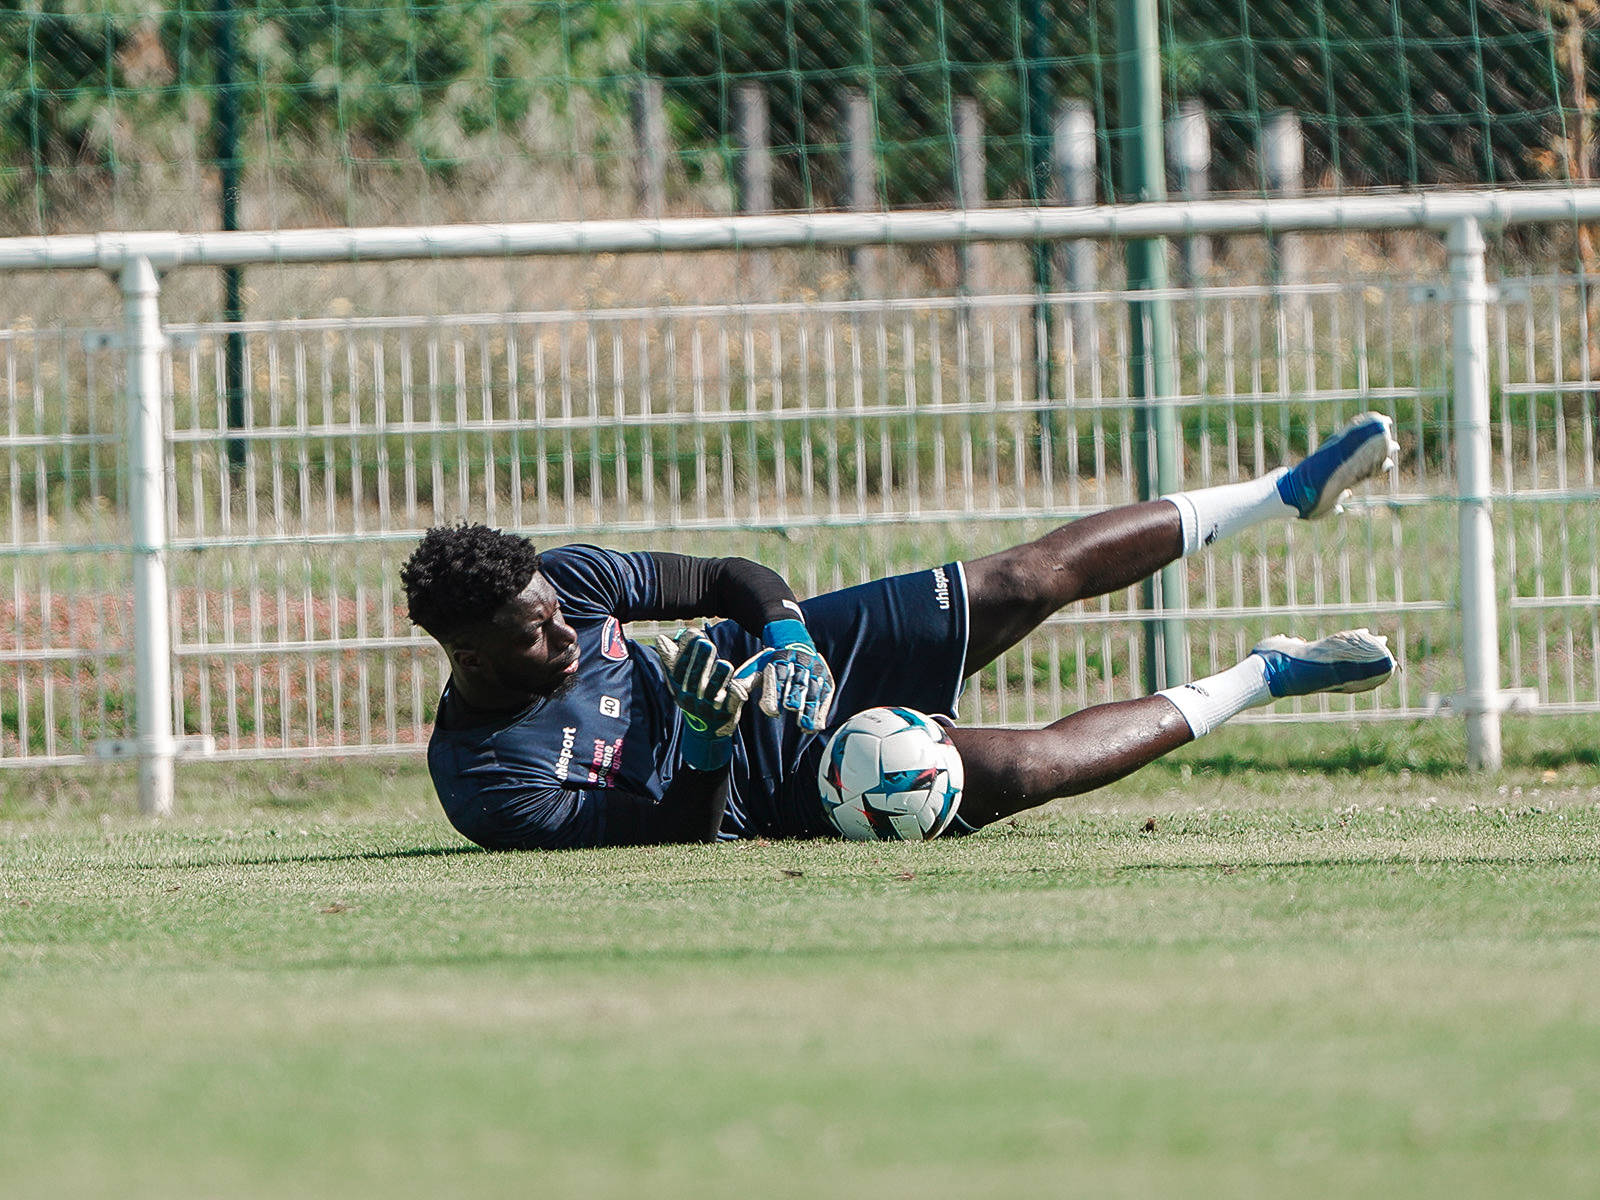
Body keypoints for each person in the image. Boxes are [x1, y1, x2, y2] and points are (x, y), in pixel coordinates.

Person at [400, 412, 1401, 850]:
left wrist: (785, 638)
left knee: (1025, 574)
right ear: (473, 654)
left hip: (794, 667)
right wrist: (706, 740)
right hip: (777, 785)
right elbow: (673, 841)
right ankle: (1260, 677)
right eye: (538, 634)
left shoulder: (565, 584)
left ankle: (1283, 493)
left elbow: (725, 577)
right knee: (1019, 770)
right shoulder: (490, 782)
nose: (566, 629)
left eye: (558, 610)